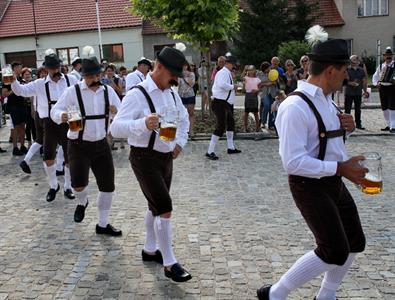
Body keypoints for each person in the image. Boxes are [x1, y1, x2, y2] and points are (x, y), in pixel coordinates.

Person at [257, 26, 367, 300]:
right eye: (344, 71)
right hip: (309, 185)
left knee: (355, 242)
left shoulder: (328, 102)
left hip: (332, 181)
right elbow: (293, 163)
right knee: (333, 250)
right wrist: (341, 168)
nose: (347, 76)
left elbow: (328, 143)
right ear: (330, 70)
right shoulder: (295, 107)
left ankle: (326, 295)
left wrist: (348, 129)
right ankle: (275, 293)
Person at [110, 46, 192, 282]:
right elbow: (115, 128)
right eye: (173, 73)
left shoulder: (171, 92)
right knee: (164, 206)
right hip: (143, 157)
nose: (175, 78)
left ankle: (149, 249)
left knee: (154, 205)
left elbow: (184, 118)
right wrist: (143, 123)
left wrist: (180, 143)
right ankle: (169, 262)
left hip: (166, 156)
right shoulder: (137, 93)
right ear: (159, 67)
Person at [51, 51, 122, 236]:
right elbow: (55, 110)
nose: (95, 78)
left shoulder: (108, 91)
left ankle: (103, 224)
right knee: (78, 185)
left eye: (98, 75)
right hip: (78, 145)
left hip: (101, 145)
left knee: (108, 187)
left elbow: (121, 114)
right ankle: (82, 202)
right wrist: (62, 116)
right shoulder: (72, 92)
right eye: (91, 76)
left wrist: (115, 111)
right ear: (84, 76)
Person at [11, 50, 78, 201]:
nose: (55, 70)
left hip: (69, 120)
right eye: (52, 68)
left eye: (57, 67)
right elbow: (21, 91)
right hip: (49, 122)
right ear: (46, 69)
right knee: (48, 156)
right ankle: (54, 185)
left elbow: (80, 97)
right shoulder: (40, 84)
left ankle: (68, 186)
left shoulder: (71, 80)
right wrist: (14, 80)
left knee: (69, 157)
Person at [206, 54, 241, 160]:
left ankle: (231, 147)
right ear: (229, 64)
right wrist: (233, 86)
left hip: (225, 103)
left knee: (231, 124)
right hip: (219, 103)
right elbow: (222, 85)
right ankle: (210, 151)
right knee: (220, 126)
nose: (234, 66)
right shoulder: (223, 73)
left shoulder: (226, 72)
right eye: (233, 64)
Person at [19, 67, 48, 174]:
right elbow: (32, 101)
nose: (44, 75)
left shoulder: (42, 84)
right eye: (42, 73)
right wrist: (33, 113)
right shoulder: (38, 85)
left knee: (40, 140)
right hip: (42, 115)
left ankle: (26, 160)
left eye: (46, 73)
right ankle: (56, 164)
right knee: (52, 138)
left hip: (41, 114)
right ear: (39, 75)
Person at [1, 62, 27, 156]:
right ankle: (15, 148)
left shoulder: (20, 78)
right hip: (13, 106)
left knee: (23, 126)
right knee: (15, 127)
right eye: (19, 68)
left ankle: (23, 146)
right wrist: (15, 89)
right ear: (14, 69)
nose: (20, 69)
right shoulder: (8, 79)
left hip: (22, 105)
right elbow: (4, 94)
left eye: (21, 67)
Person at [372, 46, 395, 132]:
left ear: (392, 56)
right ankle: (389, 125)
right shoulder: (381, 66)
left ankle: (393, 126)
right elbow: (375, 76)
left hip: (392, 88)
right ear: (384, 56)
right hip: (382, 88)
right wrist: (376, 83)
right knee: (384, 107)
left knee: (392, 107)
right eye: (386, 55)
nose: (388, 57)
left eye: (389, 55)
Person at [345, 55, 369, 130]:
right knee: (347, 110)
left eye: (356, 59)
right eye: (354, 60)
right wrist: (350, 83)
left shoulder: (361, 70)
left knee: (358, 109)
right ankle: (347, 124)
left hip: (358, 93)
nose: (356, 61)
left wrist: (365, 91)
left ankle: (358, 124)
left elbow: (364, 81)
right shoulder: (347, 69)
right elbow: (343, 81)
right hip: (349, 92)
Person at [258, 62, 278, 130]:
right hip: (264, 93)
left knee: (272, 108)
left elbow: (275, 82)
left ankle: (271, 124)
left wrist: (266, 84)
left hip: (272, 92)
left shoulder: (273, 73)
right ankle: (263, 122)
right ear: (265, 68)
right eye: (268, 67)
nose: (270, 68)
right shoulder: (259, 74)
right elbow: (259, 84)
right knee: (266, 105)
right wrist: (268, 83)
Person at [178, 62, 196, 136]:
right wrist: (180, 76)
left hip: (190, 95)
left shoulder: (191, 74)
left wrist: (186, 77)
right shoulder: (178, 74)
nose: (184, 67)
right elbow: (177, 84)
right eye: (183, 65)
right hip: (181, 96)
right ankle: (183, 131)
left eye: (185, 65)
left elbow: (191, 84)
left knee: (190, 113)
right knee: (181, 114)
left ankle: (191, 130)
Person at [243, 65, 261, 132]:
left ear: (254, 71)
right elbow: (242, 77)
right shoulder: (246, 78)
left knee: (256, 113)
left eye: (252, 70)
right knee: (246, 112)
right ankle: (245, 127)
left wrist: (257, 90)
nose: (250, 71)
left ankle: (257, 127)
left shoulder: (257, 79)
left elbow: (260, 88)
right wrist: (244, 70)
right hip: (248, 95)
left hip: (254, 96)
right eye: (249, 70)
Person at [21, 68, 36, 148]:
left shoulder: (33, 83)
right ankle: (29, 142)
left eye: (28, 74)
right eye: (26, 74)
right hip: (25, 108)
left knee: (34, 125)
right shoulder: (21, 84)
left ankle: (35, 141)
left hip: (32, 107)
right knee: (28, 125)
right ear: (23, 75)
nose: (27, 76)